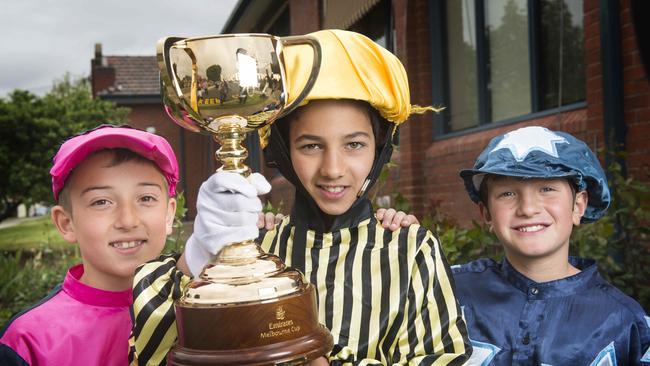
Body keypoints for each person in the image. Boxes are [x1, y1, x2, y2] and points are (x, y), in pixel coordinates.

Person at [130, 29, 471, 365]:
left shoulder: (411, 249)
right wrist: (199, 252)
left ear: (380, 148)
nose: (333, 169)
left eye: (354, 144)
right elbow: (154, 352)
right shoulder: (257, 244)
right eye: (311, 145)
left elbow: (444, 357)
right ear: (282, 151)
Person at [454, 125, 650, 365]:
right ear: (487, 214)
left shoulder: (625, 321)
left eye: (547, 189)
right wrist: (400, 242)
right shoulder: (448, 293)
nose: (527, 209)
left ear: (578, 206)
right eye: (507, 193)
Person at [0, 125, 179, 365]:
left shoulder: (200, 308)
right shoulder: (27, 342)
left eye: (146, 198)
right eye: (101, 202)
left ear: (168, 215)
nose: (128, 220)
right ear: (66, 223)